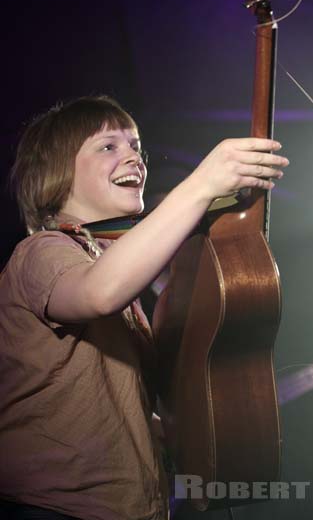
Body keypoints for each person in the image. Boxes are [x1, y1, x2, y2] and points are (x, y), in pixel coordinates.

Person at [0, 95, 289, 520]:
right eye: (108, 146)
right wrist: (201, 184)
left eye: (136, 145)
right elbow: (101, 291)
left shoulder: (111, 272)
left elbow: (117, 410)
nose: (133, 156)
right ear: (56, 172)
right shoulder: (41, 252)